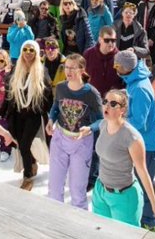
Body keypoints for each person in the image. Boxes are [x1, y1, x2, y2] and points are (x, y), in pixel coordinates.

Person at [93, 88, 155, 227]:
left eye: (113, 104)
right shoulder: (103, 125)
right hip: (100, 191)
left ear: (123, 110)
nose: (107, 106)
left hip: (124, 197)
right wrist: (88, 129)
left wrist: (154, 203)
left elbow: (143, 172)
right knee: (100, 232)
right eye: (105, 101)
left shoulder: (132, 137)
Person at [46, 53, 103, 210]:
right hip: (60, 138)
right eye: (66, 67)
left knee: (77, 191)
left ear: (82, 70)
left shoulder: (91, 93)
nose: (68, 71)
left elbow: (101, 119)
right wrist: (51, 119)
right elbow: (56, 107)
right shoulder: (61, 87)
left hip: (81, 142)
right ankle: (55, 222)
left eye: (72, 68)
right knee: (54, 189)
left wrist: (90, 128)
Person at [2, 39, 54, 190]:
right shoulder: (16, 70)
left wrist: (45, 113)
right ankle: (31, 162)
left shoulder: (42, 71)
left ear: (37, 53)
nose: (28, 53)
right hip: (18, 113)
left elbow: (48, 96)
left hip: (33, 114)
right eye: (25, 50)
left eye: (32, 50)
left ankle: (28, 176)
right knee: (20, 142)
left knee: (24, 145)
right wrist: (4, 109)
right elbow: (9, 93)